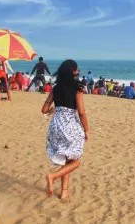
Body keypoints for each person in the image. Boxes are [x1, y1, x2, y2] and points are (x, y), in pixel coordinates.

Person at [42, 59, 89, 200]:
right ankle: (53, 176)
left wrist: (51, 111)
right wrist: (86, 129)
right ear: (74, 72)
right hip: (70, 126)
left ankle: (64, 191)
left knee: (66, 159)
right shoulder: (78, 89)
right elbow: (81, 112)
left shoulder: (55, 88)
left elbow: (44, 109)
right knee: (76, 161)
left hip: (56, 125)